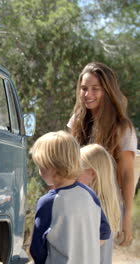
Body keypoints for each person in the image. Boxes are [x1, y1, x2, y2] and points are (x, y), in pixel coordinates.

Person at [68, 62, 137, 246]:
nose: (88, 94)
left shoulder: (122, 128)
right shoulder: (76, 121)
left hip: (105, 207)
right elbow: (67, 163)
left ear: (107, 91)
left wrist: (126, 218)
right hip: (76, 203)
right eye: (84, 88)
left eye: (95, 89)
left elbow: (127, 175)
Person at [29, 131, 111, 264]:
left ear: (53, 166)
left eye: (41, 165)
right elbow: (104, 232)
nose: (39, 171)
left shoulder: (48, 202)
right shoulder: (90, 195)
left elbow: (37, 249)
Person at [79, 144, 122, 264]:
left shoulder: (90, 205)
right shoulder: (110, 204)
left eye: (77, 169)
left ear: (92, 173)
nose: (72, 174)